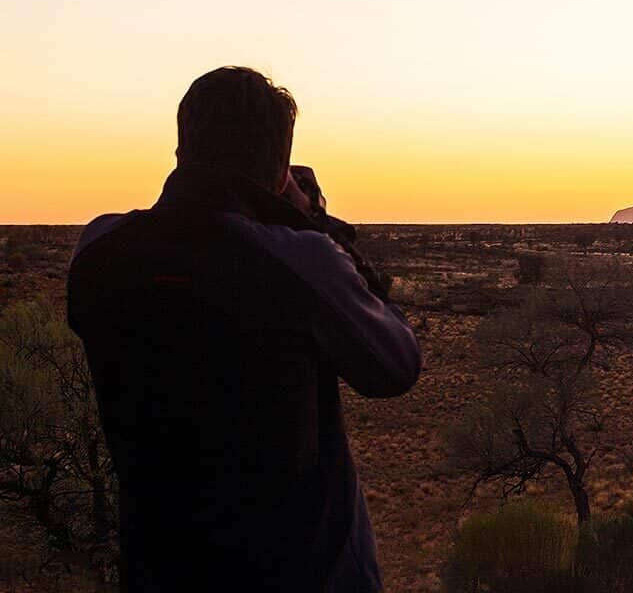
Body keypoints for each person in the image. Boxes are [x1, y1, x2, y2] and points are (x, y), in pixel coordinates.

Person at [66, 66, 421, 592]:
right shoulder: (295, 261)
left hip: (160, 567)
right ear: (280, 171)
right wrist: (311, 220)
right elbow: (396, 365)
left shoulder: (98, 252)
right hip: (302, 573)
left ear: (183, 146)